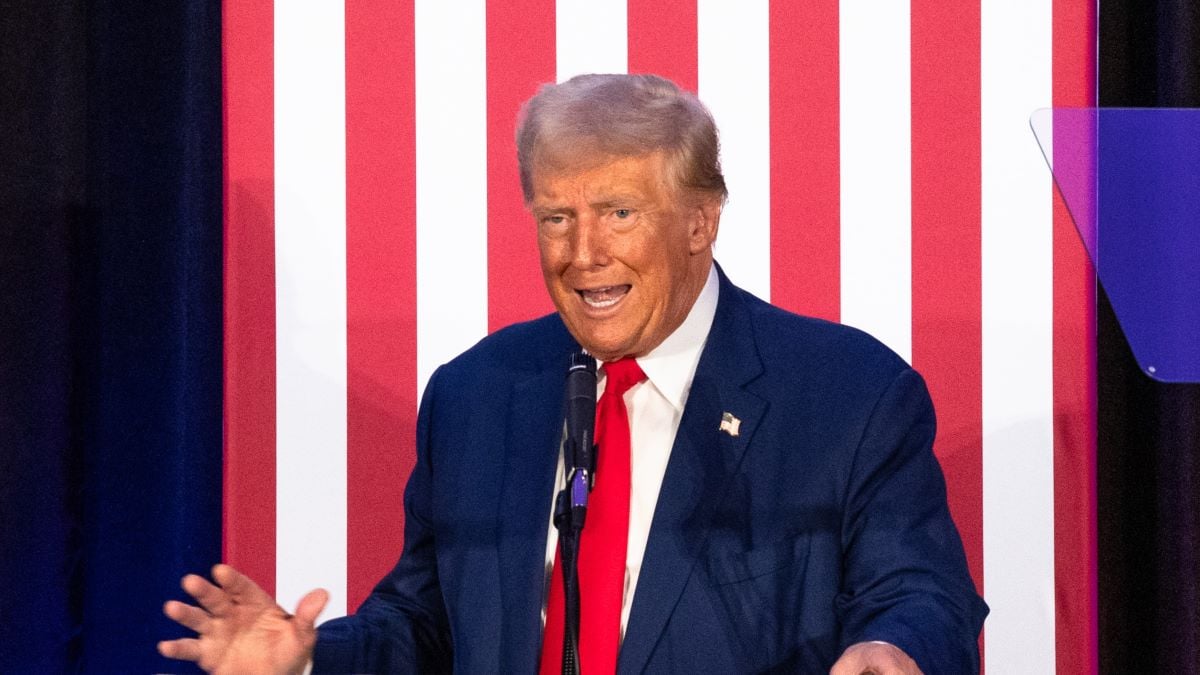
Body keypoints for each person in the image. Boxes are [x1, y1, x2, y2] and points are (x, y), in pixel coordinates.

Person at [160, 73, 987, 674]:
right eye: (556, 217)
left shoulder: (847, 395)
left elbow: (923, 592)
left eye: (619, 214)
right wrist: (307, 661)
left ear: (701, 220)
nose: (582, 254)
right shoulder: (476, 394)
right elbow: (425, 624)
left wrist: (893, 650)